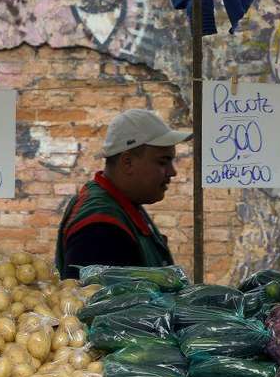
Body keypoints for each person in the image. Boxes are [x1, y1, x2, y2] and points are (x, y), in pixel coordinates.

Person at [54, 109, 191, 279]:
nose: (172, 172)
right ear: (127, 162)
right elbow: (92, 301)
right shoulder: (99, 229)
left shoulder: (123, 204)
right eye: (163, 162)